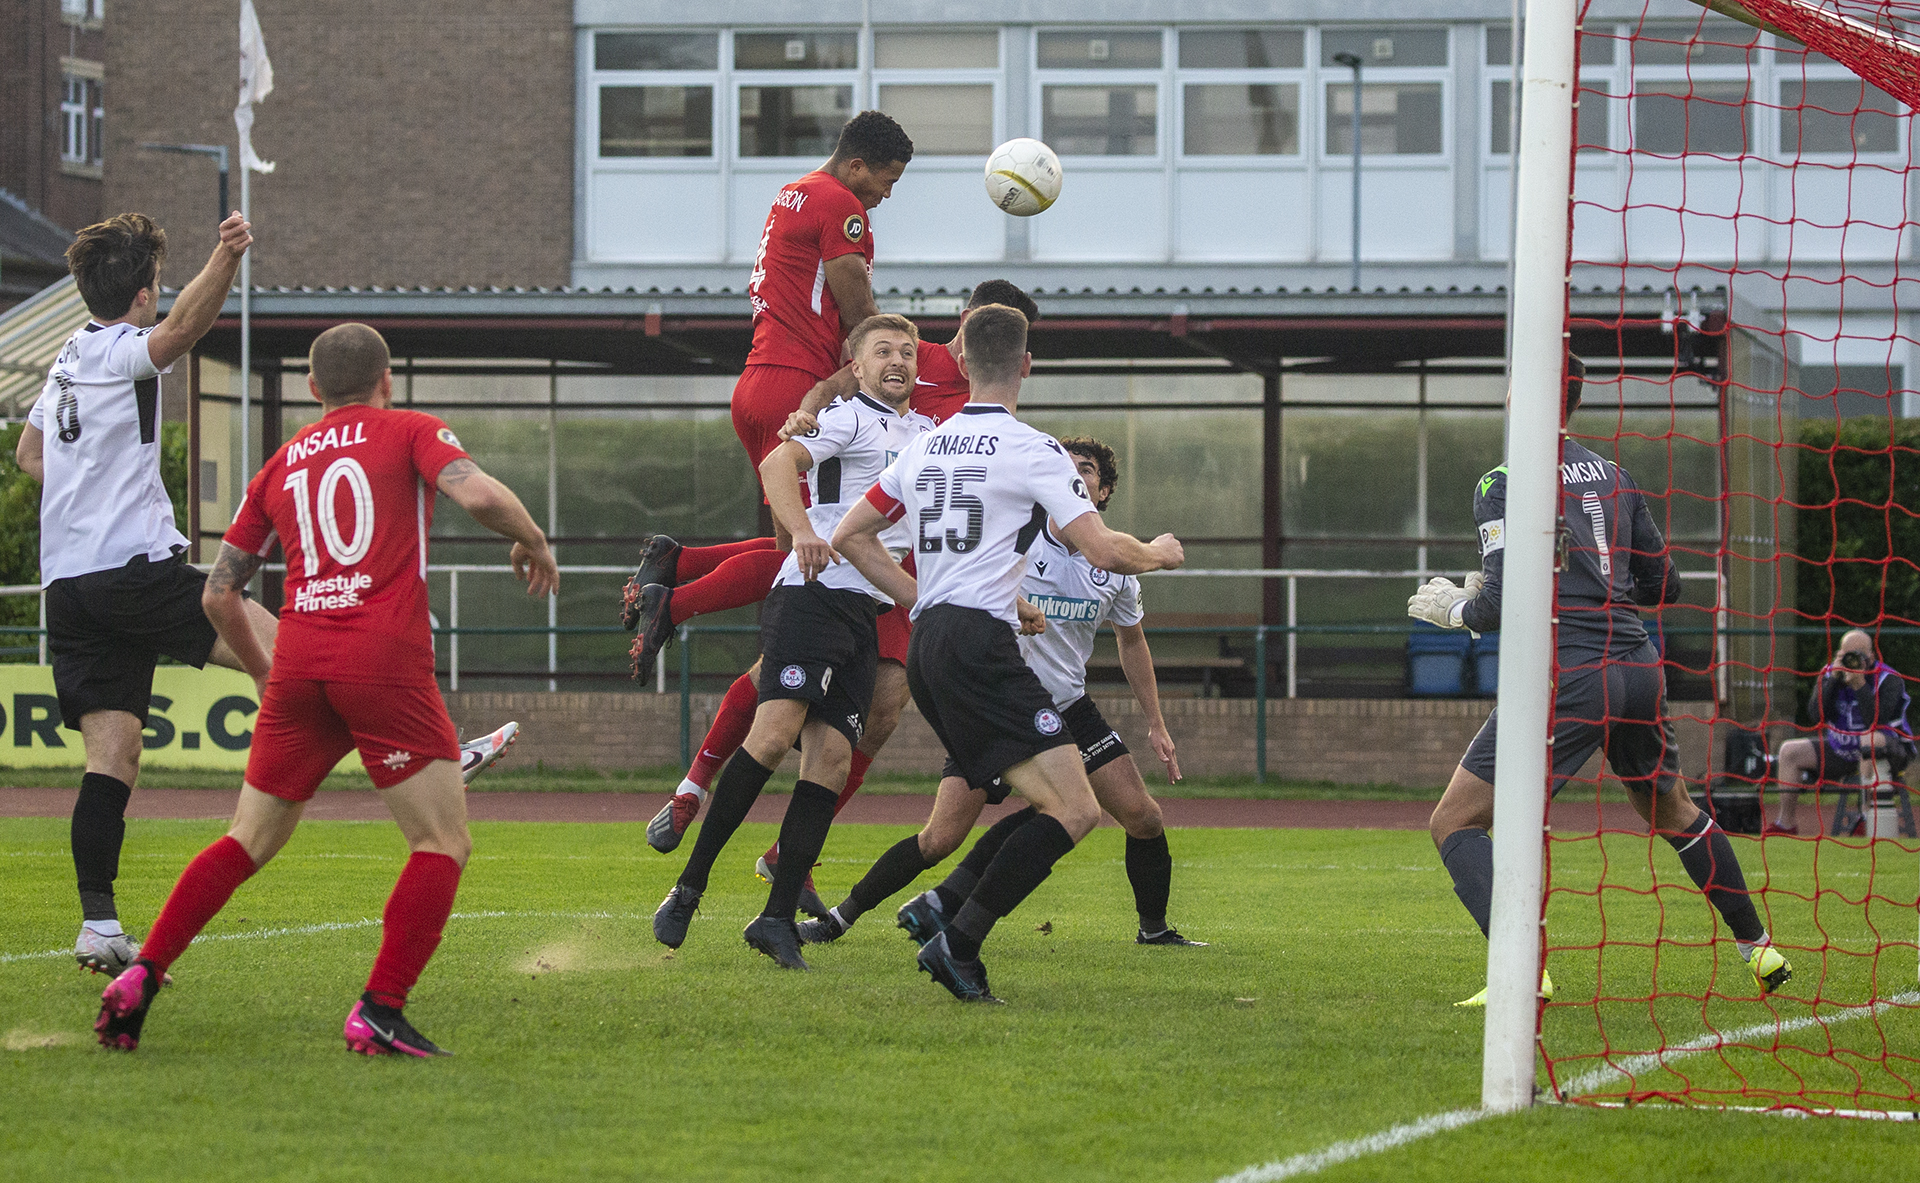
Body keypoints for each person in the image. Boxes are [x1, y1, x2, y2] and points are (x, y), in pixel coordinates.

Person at [93, 323, 560, 1055]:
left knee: (245, 838)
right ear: (387, 383)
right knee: (441, 840)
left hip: (301, 662)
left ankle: (143, 973)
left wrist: (262, 671)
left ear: (312, 390)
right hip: (381, 661)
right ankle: (380, 1007)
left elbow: (220, 594)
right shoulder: (409, 428)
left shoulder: (279, 464)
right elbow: (477, 496)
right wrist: (534, 540)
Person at [641, 281, 1042, 907]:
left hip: (898, 578)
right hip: (843, 574)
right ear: (963, 327)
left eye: (1011, 338)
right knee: (779, 698)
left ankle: (786, 863)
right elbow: (831, 393)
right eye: (888, 355)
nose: (899, 363)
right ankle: (693, 794)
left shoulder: (978, 410)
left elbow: (976, 502)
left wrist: (999, 594)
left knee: (874, 718)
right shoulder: (904, 364)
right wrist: (808, 410)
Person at [1409, 355, 1792, 1004]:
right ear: (1576, 402)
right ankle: (1759, 949)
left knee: (1455, 821)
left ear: (1519, 394)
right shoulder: (1616, 476)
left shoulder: (1503, 480)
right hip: (1639, 668)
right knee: (1673, 808)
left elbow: (1497, 603)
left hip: (1572, 678)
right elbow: (1663, 583)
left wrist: (1455, 608)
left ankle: (1525, 972)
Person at [830, 304, 1185, 1002]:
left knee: (1043, 804)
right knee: (1076, 812)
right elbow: (1105, 548)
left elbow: (850, 534)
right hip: (981, 645)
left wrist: (920, 594)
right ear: (1026, 365)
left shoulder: (922, 447)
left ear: (959, 364)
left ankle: (943, 913)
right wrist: (1161, 554)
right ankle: (957, 941)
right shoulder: (1033, 449)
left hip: (931, 643)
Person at [800, 435, 1204, 950]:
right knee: (939, 838)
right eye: (1068, 468)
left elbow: (1132, 641)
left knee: (1142, 816)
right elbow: (969, 579)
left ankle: (1154, 930)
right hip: (997, 704)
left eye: (1087, 471)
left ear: (1102, 493)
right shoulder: (1022, 538)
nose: (1074, 477)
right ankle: (842, 917)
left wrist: (1156, 722)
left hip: (1067, 708)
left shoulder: (1116, 564)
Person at [18, 211, 283, 977]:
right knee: (273, 639)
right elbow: (179, 337)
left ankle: (98, 924)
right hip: (127, 567)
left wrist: (85, 487)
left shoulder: (67, 355)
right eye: (156, 289)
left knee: (115, 754)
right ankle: (417, 748)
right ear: (142, 295)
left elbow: (29, 452)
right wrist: (226, 257)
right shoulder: (114, 348)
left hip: (71, 584)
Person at [650, 315, 934, 969]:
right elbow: (778, 462)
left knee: (831, 763)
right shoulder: (847, 418)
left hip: (863, 611)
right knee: (775, 735)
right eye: (882, 350)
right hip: (810, 593)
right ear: (855, 369)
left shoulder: (928, 435)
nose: (898, 359)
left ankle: (774, 918)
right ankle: (687, 889)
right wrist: (802, 529)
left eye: (908, 351)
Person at [622, 111, 914, 674]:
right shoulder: (840, 205)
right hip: (799, 387)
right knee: (803, 560)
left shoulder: (794, 192)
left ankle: (676, 564)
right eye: (887, 180)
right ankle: (676, 602)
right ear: (857, 167)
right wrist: (902, 358)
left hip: (759, 378)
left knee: (795, 547)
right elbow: (861, 321)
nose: (886, 194)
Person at [1766, 630, 1915, 836]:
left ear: (1871, 657)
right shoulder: (1830, 674)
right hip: (1841, 750)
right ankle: (1786, 823)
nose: (1851, 660)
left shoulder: (1888, 679)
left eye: (1857, 655)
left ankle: (1865, 817)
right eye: (1846, 655)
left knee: (1868, 740)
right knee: (1789, 751)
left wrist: (1860, 685)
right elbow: (1815, 715)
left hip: (1890, 751)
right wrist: (1834, 680)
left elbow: (1877, 721)